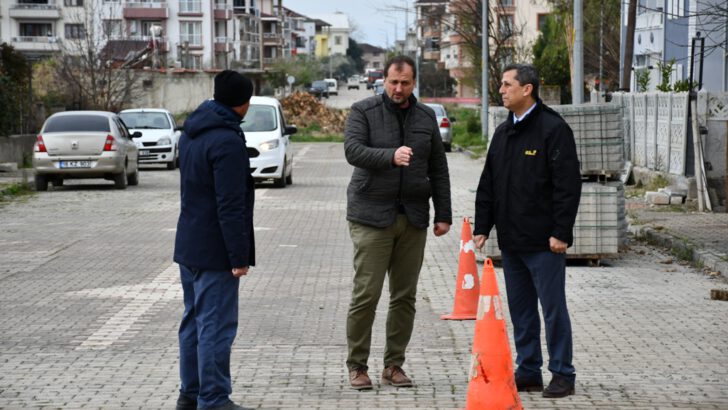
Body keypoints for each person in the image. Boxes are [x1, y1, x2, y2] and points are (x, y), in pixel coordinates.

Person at [344, 55, 452, 390]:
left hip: (413, 218)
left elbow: (438, 166)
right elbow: (353, 150)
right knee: (367, 294)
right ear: (384, 80)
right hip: (371, 215)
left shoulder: (425, 117)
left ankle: (393, 365)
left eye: (405, 83)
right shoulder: (364, 111)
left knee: (405, 297)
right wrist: (389, 156)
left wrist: (444, 214)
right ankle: (357, 365)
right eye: (393, 82)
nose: (399, 88)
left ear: (414, 82)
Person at [473, 63, 582, 398]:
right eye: (501, 85)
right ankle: (529, 370)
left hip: (544, 242)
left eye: (507, 85)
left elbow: (568, 185)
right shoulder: (504, 132)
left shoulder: (553, 129)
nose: (501, 90)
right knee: (521, 311)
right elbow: (488, 182)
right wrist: (482, 226)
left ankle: (563, 373)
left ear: (527, 89)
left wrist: (561, 232)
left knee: (552, 310)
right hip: (512, 241)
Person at [173, 70, 256, 410]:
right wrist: (238, 257)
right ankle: (213, 399)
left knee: (193, 321)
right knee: (216, 327)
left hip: (189, 243)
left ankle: (190, 395)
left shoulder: (192, 132)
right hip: (215, 251)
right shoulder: (226, 141)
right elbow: (230, 205)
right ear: (243, 103)